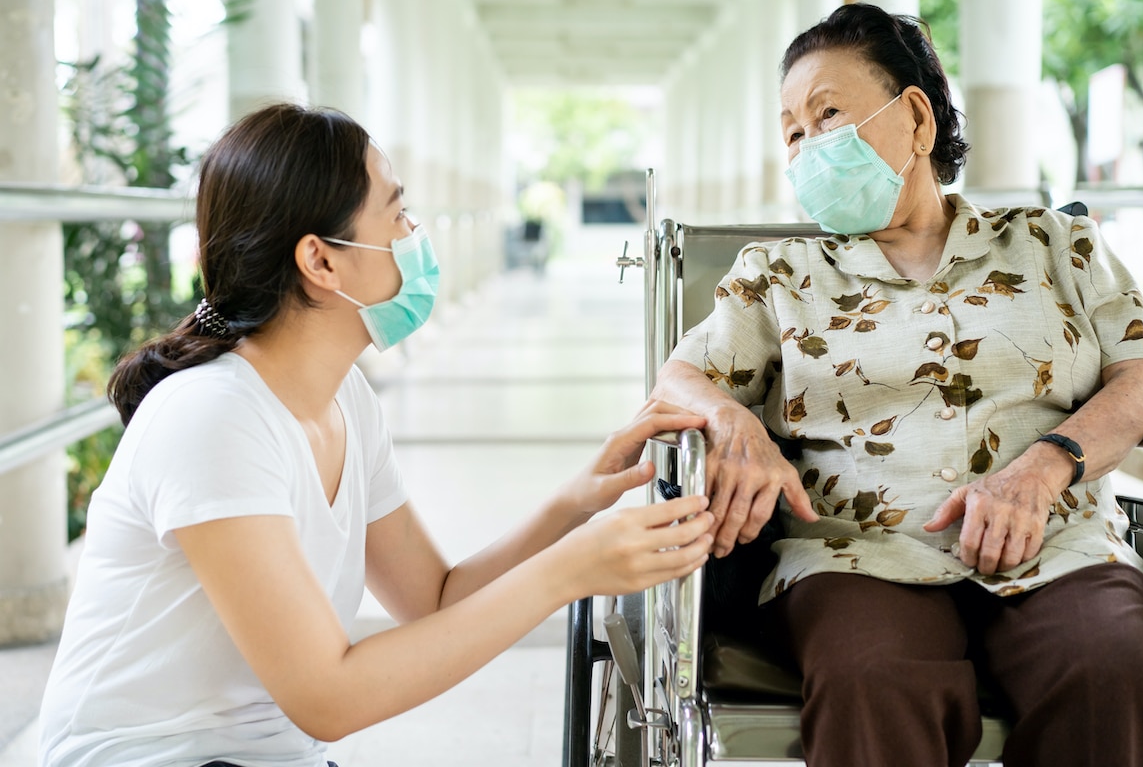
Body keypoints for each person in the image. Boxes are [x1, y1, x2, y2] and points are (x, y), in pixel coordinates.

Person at [38, 103, 715, 767]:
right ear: (321, 262)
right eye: (396, 214)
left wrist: (575, 506)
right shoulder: (213, 417)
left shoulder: (344, 401)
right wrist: (568, 573)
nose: (415, 232)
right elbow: (327, 698)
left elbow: (433, 600)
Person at [650, 3, 1143, 766]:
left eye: (826, 115)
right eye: (793, 133)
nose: (807, 147)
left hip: (1057, 543)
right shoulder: (778, 275)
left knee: (1110, 675)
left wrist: (1044, 468)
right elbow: (677, 382)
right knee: (873, 678)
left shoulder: (1055, 245)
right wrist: (736, 425)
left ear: (915, 117)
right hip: (857, 554)